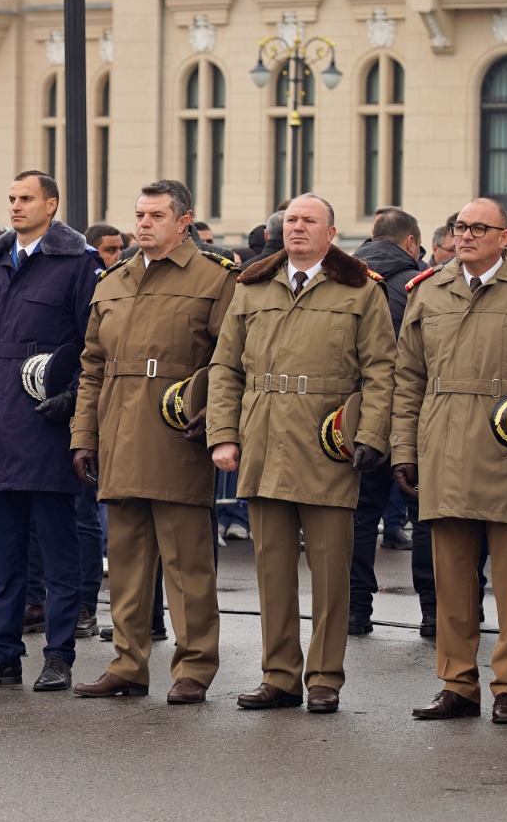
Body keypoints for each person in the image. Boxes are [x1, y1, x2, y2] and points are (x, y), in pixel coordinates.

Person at [392, 198, 507, 724]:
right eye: (460, 227)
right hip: (445, 447)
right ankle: (457, 683)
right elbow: (407, 378)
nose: (467, 235)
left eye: (480, 227)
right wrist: (403, 449)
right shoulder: (428, 290)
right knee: (451, 579)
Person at [208, 194, 395, 713]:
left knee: (332, 571)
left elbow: (382, 370)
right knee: (271, 569)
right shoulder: (253, 287)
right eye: (291, 220)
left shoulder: (359, 291)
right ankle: (280, 675)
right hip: (265, 440)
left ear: (330, 232)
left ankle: (324, 677)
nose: (298, 228)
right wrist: (224, 434)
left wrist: (370, 437)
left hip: (327, 445)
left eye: (309, 221)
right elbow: (225, 368)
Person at [70, 179, 236, 703]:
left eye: (156, 215)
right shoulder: (113, 280)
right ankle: (128, 662)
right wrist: (83, 435)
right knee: (126, 561)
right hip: (119, 430)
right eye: (139, 214)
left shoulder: (215, 278)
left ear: (184, 220)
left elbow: (231, 360)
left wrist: (214, 416)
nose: (143, 224)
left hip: (176, 433)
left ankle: (194, 668)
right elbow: (92, 365)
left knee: (187, 562)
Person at [0, 170, 101, 692]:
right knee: (2, 553)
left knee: (57, 553)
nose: (15, 206)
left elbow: (91, 345)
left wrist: (72, 398)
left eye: (26, 199)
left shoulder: (77, 264)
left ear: (51, 205)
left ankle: (58, 655)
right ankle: (2, 653)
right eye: (10, 198)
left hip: (45, 424)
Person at [349, 208, 434, 635]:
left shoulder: (344, 281)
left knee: (361, 514)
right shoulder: (419, 286)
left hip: (356, 413)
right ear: (411, 243)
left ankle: (355, 610)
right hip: (413, 413)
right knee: (424, 513)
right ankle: (435, 615)